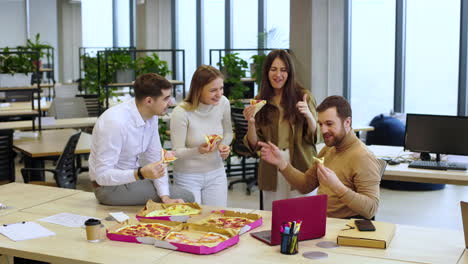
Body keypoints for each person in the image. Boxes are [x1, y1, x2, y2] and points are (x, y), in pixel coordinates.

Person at [258, 96, 381, 219]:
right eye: (320, 124)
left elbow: (371, 209)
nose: (323, 130)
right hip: (322, 222)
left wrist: (338, 187)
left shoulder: (363, 157)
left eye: (329, 124)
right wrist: (282, 163)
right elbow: (305, 185)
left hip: (343, 228)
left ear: (347, 122)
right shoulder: (329, 149)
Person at [89, 73, 195, 206]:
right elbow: (101, 176)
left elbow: (155, 158)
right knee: (186, 196)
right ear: (149, 101)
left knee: (168, 191)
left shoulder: (151, 116)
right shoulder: (115, 122)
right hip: (108, 188)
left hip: (133, 179)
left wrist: (165, 197)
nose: (171, 102)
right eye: (166, 98)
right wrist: (139, 173)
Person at [242, 49, 319, 210]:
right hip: (271, 163)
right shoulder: (260, 101)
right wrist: (250, 123)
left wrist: (309, 116)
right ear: (267, 72)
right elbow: (254, 144)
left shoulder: (303, 96)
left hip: (300, 163)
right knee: (273, 215)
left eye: (283, 70)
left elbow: (316, 138)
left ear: (290, 73)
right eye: (274, 69)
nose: (278, 74)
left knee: (301, 214)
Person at [170, 65, 233, 207]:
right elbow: (176, 152)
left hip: (216, 173)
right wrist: (198, 150)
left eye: (221, 88)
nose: (219, 94)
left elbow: (228, 132)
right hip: (187, 177)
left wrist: (224, 145)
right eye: (213, 90)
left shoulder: (223, 103)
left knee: (217, 219)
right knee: (191, 222)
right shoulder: (180, 112)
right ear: (199, 90)